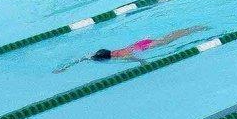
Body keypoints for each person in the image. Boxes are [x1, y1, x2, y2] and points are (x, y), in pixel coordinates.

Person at [54, 25, 206, 72]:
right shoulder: (112, 53)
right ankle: (193, 28)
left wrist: (143, 64)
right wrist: (66, 67)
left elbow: (137, 59)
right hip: (139, 43)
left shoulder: (119, 57)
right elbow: (85, 57)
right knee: (169, 36)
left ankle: (195, 30)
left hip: (146, 46)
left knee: (170, 39)